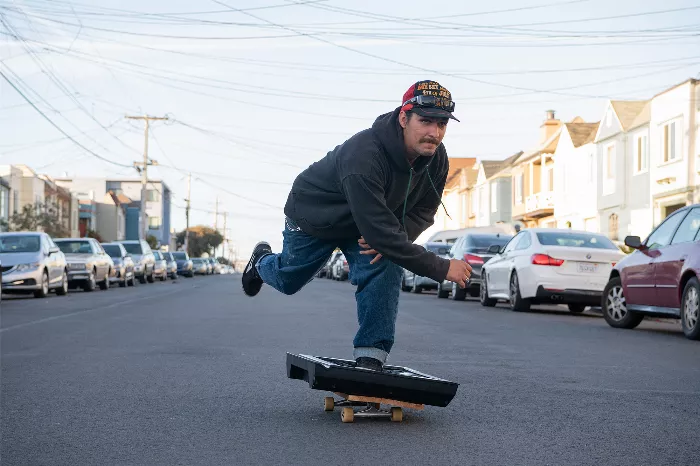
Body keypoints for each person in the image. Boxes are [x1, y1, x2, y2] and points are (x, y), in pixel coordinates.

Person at [242, 80, 473, 371]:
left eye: (441, 124)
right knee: (289, 281)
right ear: (404, 117)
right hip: (316, 216)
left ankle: (370, 357)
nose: (434, 133)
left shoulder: (436, 158)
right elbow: (380, 232)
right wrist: (441, 267)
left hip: (368, 222)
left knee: (386, 262)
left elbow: (424, 212)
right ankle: (262, 263)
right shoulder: (365, 153)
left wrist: (392, 239)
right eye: (425, 121)